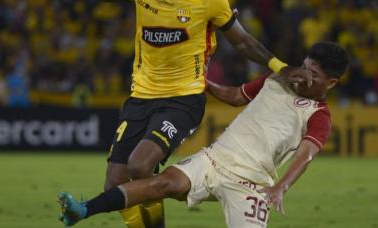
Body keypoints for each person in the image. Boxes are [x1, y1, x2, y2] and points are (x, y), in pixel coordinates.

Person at [36, 0, 298, 228]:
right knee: (115, 183)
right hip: (140, 97)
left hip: (182, 100)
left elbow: (242, 41)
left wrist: (279, 65)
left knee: (140, 164)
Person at [56, 41, 350, 227]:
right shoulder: (276, 79)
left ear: (332, 83)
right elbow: (236, 95)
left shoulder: (318, 115)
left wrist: (281, 187)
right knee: (161, 183)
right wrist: (205, 83)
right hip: (214, 159)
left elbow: (306, 154)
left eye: (314, 75)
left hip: (253, 183)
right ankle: (82, 211)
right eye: (305, 67)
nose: (304, 76)